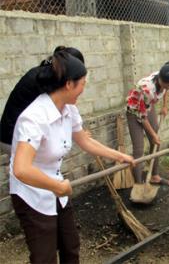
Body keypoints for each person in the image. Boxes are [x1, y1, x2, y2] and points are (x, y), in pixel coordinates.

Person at [9, 51, 135, 263]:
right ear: (69, 84)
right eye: (83, 83)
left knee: (71, 246)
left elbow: (85, 141)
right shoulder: (34, 118)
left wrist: (120, 156)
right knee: (44, 257)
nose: (84, 89)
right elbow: (21, 169)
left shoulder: (68, 109)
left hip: (57, 186)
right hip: (32, 193)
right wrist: (57, 187)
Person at [0, 46, 85, 153]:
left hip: (13, 134)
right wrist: (77, 135)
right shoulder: (45, 82)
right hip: (13, 137)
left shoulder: (44, 75)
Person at [126, 62, 169, 186]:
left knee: (156, 143)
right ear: (160, 79)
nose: (167, 87)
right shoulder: (146, 88)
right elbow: (142, 117)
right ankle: (139, 184)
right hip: (135, 111)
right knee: (139, 150)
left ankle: (154, 176)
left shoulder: (163, 78)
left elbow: (166, 90)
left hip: (148, 107)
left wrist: (165, 106)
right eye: (165, 85)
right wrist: (153, 134)